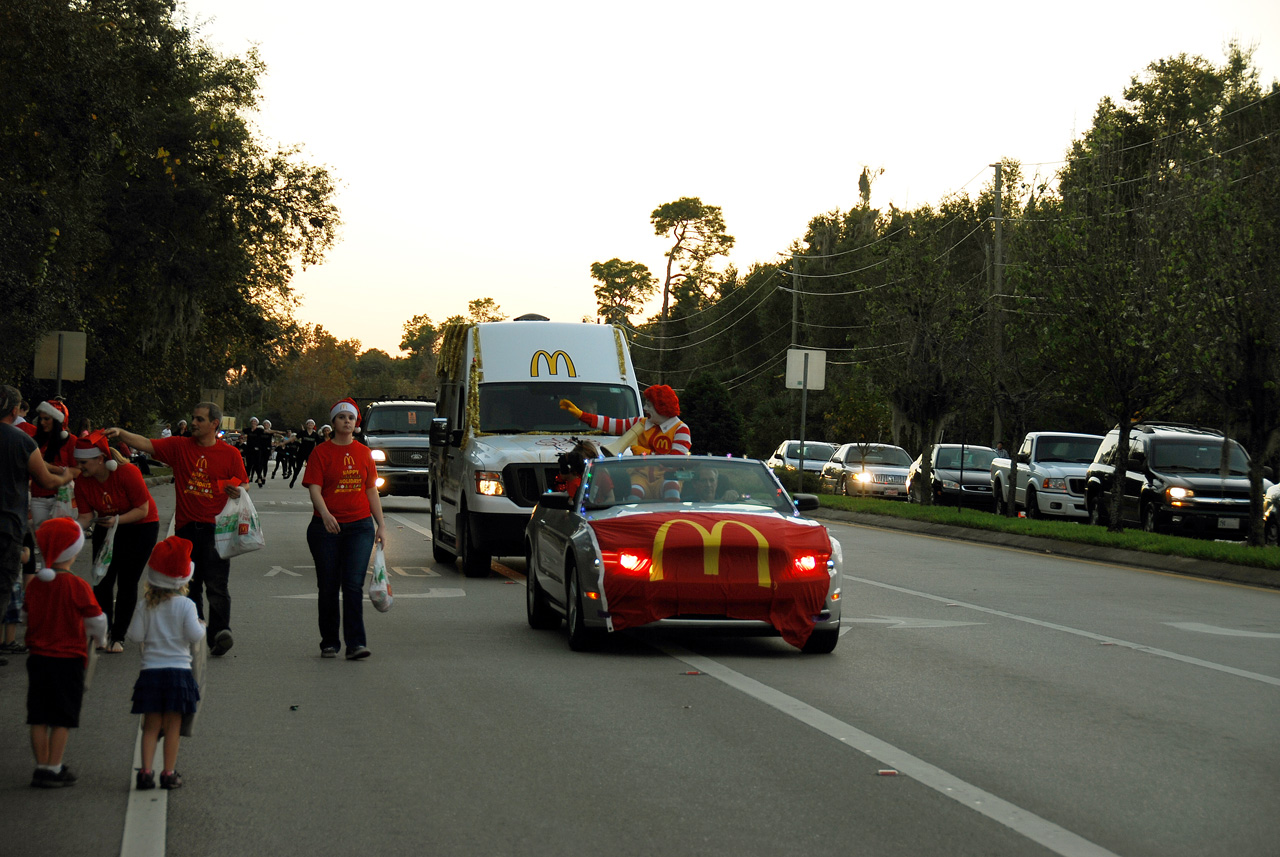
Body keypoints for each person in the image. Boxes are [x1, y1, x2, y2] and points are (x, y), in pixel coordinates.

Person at [107, 402, 248, 657]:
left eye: (199, 419)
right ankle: (196, 630)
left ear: (214, 424)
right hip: (186, 529)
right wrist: (121, 433)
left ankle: (220, 633)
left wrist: (238, 490)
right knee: (189, 584)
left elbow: (244, 484)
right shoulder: (179, 447)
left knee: (217, 584)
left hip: (217, 530)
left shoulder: (230, 455)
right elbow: (147, 444)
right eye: (193, 418)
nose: (193, 423)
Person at [25, 517, 107, 787]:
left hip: (38, 657)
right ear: (74, 551)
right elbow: (96, 620)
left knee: (38, 714)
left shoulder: (35, 584)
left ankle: (40, 765)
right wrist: (100, 639)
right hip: (68, 659)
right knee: (62, 715)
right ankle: (54, 767)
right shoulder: (77, 585)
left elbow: (28, 612)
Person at [1, 386, 79, 668]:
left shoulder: (60, 441)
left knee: (46, 554)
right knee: (19, 565)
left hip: (47, 504)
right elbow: (44, 474)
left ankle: (44, 600)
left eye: (47, 419)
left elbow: (68, 467)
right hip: (23, 509)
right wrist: (61, 474)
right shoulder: (25, 439)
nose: (41, 422)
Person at [303, 398, 385, 660]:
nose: (347, 421)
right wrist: (325, 514)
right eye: (342, 417)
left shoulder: (363, 453)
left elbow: (371, 489)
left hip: (360, 527)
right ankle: (329, 641)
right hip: (325, 528)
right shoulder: (321, 453)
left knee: (352, 584)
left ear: (355, 423)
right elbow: (314, 487)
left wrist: (380, 524)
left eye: (351, 418)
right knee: (328, 585)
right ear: (334, 422)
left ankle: (356, 643)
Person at [125, 536, 204, 790]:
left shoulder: (144, 605)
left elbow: (135, 636)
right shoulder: (186, 605)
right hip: (178, 674)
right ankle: (168, 773)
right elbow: (195, 636)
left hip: (151, 673)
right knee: (173, 727)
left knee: (150, 726)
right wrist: (202, 627)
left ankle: (145, 772)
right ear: (184, 579)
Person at [73, 432, 159, 653]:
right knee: (102, 580)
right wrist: (67, 531)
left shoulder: (127, 472)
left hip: (140, 527)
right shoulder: (82, 482)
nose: (79, 467)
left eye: (83, 462)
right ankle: (102, 632)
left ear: (100, 459)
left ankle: (118, 636)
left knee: (127, 582)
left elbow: (143, 509)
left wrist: (117, 520)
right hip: (107, 527)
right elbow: (84, 517)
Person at [559, 384, 691, 501]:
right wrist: (582, 415)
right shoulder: (640, 423)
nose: (645, 408)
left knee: (671, 489)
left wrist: (648, 454)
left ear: (661, 407)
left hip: (666, 477)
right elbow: (611, 424)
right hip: (640, 477)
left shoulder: (680, 429)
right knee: (633, 496)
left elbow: (676, 461)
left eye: (649, 405)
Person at [29, 399, 77, 534]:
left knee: (61, 538)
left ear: (56, 420)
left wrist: (50, 468)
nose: (42, 422)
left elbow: (79, 471)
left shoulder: (70, 441)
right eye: (41, 419)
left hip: (62, 496)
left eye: (47, 419)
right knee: (43, 538)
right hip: (38, 497)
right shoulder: (35, 441)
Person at [290, 419, 321, 489]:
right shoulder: (303, 433)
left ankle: (312, 483)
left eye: (312, 424)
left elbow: (321, 443)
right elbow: (293, 438)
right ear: (306, 425)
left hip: (310, 454)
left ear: (314, 426)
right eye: (309, 423)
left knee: (312, 469)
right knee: (298, 468)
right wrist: (283, 443)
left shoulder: (315, 435)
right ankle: (293, 480)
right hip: (301, 453)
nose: (310, 425)